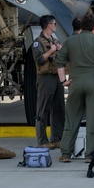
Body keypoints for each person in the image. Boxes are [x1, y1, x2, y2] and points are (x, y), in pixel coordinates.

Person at [56, 13, 94, 163]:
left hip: (75, 81)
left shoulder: (70, 41)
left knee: (71, 118)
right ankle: (90, 154)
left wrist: (63, 81)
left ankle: (66, 153)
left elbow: (60, 61)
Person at [32, 16, 65, 148]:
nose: (55, 26)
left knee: (59, 108)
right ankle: (42, 140)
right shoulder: (37, 42)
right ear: (48, 25)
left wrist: (59, 49)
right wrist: (51, 51)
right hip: (45, 78)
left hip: (56, 76)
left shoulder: (54, 40)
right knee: (43, 109)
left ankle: (56, 138)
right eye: (54, 24)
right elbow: (39, 59)